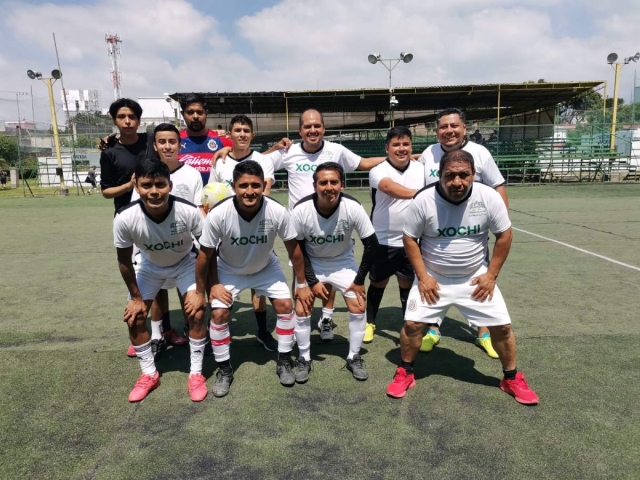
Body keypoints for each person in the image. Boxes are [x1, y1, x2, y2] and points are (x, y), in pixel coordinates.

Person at [386, 149, 538, 405]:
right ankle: (406, 371)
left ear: (474, 174)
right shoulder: (424, 200)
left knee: (502, 327)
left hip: (476, 278)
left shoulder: (488, 196)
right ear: (440, 175)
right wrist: (422, 277)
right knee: (412, 325)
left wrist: (491, 275)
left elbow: (505, 235)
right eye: (450, 175)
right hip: (433, 278)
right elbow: (409, 238)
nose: (457, 182)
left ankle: (511, 378)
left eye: (464, 175)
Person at [194, 160, 314, 397]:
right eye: (244, 185)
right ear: (234, 187)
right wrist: (208, 288)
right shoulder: (218, 214)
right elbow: (205, 257)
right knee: (219, 314)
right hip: (229, 270)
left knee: (286, 305)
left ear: (263, 185)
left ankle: (283, 360)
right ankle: (224, 369)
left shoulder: (277, 210)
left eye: (255, 185)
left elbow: (295, 250)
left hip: (265, 267)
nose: (250, 191)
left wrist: (301, 283)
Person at [271, 109, 386, 340]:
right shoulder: (288, 151)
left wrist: (399, 159)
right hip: (302, 228)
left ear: (323, 128)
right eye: (307, 127)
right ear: (300, 131)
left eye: (317, 126)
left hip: (331, 223)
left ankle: (326, 318)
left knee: (331, 275)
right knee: (301, 279)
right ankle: (299, 319)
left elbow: (363, 163)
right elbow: (257, 163)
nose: (312, 130)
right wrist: (273, 148)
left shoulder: (335, 149)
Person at [113, 158, 209, 402]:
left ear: (170, 185)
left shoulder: (188, 211)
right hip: (149, 266)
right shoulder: (125, 217)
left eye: (160, 185)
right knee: (134, 317)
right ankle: (149, 374)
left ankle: (196, 373)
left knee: (197, 313)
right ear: (136, 186)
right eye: (147, 185)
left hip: (185, 263)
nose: (154, 192)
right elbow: (124, 261)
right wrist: (136, 298)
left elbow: (208, 250)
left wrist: (201, 290)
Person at [417, 108, 509, 358]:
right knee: (432, 278)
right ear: (437, 131)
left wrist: (501, 218)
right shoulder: (429, 153)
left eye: (453, 126)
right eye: (443, 127)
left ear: (464, 128)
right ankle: (433, 329)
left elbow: (497, 185)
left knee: (479, 277)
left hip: (472, 227)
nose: (449, 131)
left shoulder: (480, 153)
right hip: (436, 228)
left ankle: (483, 333)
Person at [292, 162, 379, 382]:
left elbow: (372, 245)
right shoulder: (301, 209)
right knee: (302, 308)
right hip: (313, 262)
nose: (328, 187)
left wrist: (359, 280)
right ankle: (303, 357)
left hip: (343, 262)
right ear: (315, 185)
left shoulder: (353, 206)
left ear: (342, 184)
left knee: (358, 304)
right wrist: (310, 281)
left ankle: (354, 356)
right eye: (323, 182)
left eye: (334, 182)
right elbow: (298, 249)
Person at [208, 115, 282, 351]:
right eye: (237, 130)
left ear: (252, 135)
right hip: (226, 228)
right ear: (229, 134)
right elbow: (211, 193)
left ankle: (261, 331)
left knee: (259, 283)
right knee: (225, 276)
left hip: (255, 224)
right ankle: (219, 334)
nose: (242, 134)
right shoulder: (219, 162)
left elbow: (266, 190)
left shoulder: (262, 160)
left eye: (246, 130)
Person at [129, 123, 204, 354]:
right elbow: (136, 208)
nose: (167, 146)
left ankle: (191, 333)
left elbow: (199, 209)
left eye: (172, 141)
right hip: (153, 247)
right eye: (162, 141)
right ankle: (157, 334)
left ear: (180, 145)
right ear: (155, 145)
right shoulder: (144, 173)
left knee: (188, 294)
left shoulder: (191, 174)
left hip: (183, 247)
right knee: (157, 288)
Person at [364, 126, 425, 343]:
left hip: (412, 240)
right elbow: (389, 187)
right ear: (387, 148)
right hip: (382, 240)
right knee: (378, 282)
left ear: (411, 146)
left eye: (406, 144)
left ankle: (408, 324)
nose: (402, 148)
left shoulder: (421, 168)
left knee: (407, 284)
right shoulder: (378, 170)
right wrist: (421, 194)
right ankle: (370, 322)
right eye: (396, 144)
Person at [100, 98, 154, 212]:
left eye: (132, 117)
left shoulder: (151, 139)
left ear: (139, 121)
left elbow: (173, 137)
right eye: (121, 117)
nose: (127, 121)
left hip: (156, 212)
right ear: (114, 121)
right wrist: (129, 185)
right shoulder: (109, 152)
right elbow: (106, 192)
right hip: (125, 213)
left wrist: (110, 136)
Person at [176, 94, 234, 185]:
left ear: (206, 113)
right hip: (184, 198)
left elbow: (246, 155)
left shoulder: (222, 140)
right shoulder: (173, 141)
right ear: (183, 114)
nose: (195, 116)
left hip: (217, 198)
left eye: (200, 112)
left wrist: (230, 149)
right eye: (190, 112)